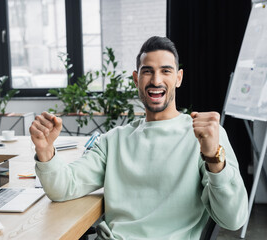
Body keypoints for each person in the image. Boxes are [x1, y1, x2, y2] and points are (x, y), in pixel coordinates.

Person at [29, 36, 248, 239]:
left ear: (178, 78)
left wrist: (213, 158)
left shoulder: (204, 137)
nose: (156, 80)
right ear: (136, 79)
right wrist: (45, 149)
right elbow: (64, 187)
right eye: (147, 71)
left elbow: (233, 219)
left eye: (166, 71)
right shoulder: (113, 140)